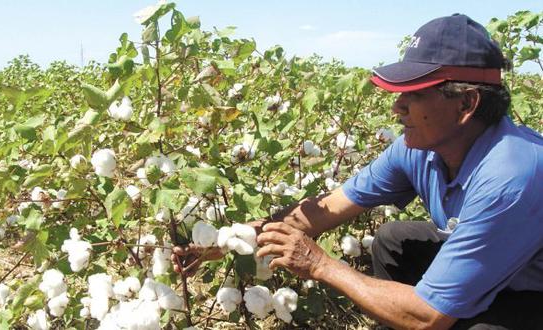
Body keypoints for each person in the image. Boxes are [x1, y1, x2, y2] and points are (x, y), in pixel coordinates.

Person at [174, 14, 543, 329]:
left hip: (531, 290)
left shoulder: (511, 175)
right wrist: (223, 243)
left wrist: (320, 264)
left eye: (413, 94)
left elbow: (430, 315)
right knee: (396, 240)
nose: (397, 107)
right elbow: (325, 210)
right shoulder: (420, 149)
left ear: (466, 103)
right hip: (501, 267)